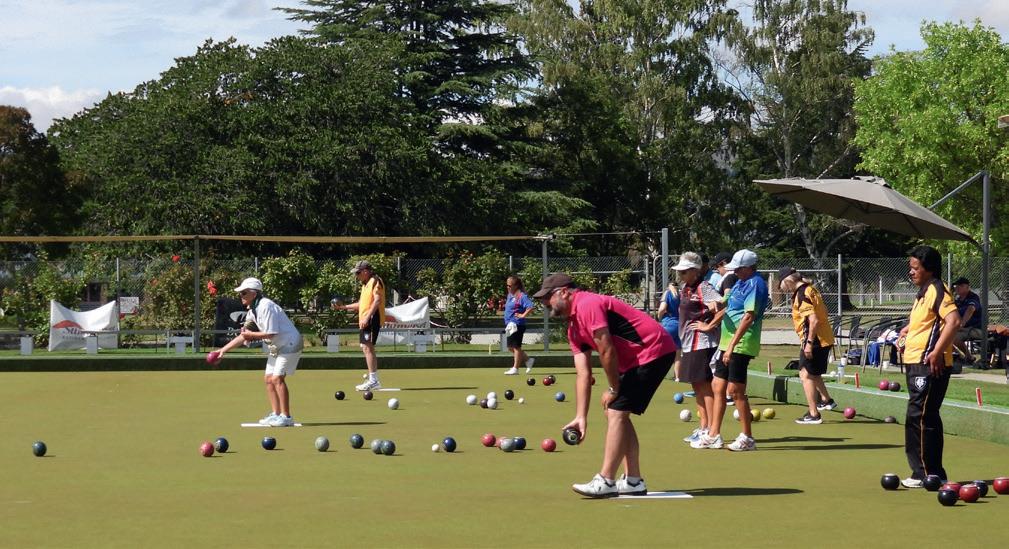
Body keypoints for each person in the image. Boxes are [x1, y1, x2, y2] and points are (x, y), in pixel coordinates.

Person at [533, 273, 677, 498]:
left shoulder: (587, 304)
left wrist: (613, 388)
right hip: (634, 359)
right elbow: (583, 374)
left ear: (564, 292)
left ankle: (606, 480)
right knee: (616, 412)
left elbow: (606, 349)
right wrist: (581, 417)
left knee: (616, 411)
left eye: (547, 297)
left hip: (652, 350)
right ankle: (633, 481)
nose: (545, 303)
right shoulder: (573, 328)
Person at [691, 249, 767, 452]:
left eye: (739, 269)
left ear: (749, 267)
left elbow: (748, 316)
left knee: (735, 391)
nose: (736, 272)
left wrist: (732, 346)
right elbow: (727, 303)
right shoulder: (740, 282)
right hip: (727, 342)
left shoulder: (756, 284)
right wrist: (715, 305)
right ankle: (713, 435)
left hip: (741, 343)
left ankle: (747, 438)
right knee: (717, 386)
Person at [897, 246, 960, 488]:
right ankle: (933, 472)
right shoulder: (923, 292)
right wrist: (908, 329)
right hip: (916, 361)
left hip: (928, 363)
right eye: (910, 267)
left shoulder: (937, 289)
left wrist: (936, 351)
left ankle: (924, 473)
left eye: (915, 268)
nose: (911, 272)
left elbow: (953, 321)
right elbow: (927, 322)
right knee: (923, 414)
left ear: (929, 268)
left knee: (920, 415)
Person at [212, 277, 304, 427]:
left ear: (254, 293)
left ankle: (286, 417)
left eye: (244, 293)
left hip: (290, 343)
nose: (240, 295)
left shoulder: (266, 306)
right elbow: (244, 335)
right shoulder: (252, 310)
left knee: (277, 379)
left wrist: (251, 335)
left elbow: (271, 333)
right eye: (240, 293)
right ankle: (275, 414)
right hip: (276, 346)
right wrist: (222, 351)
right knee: (268, 379)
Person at [673, 252, 722, 444]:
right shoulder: (686, 288)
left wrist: (709, 326)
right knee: (696, 386)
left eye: (685, 271)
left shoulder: (704, 287)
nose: (681, 275)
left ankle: (710, 430)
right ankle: (703, 427)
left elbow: (724, 307)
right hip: (688, 343)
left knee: (704, 386)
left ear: (695, 271)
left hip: (702, 342)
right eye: (680, 271)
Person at [779, 267, 837, 424]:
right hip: (824, 337)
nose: (784, 290)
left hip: (815, 338)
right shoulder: (810, 289)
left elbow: (813, 320)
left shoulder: (802, 293)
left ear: (788, 281)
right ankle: (826, 400)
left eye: (782, 285)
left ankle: (813, 414)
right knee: (813, 372)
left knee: (805, 374)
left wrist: (809, 343)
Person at [338, 260, 387, 391]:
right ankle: (373, 380)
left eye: (358, 273)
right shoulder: (366, 284)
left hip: (372, 319)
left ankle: (373, 381)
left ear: (365, 271)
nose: (356, 276)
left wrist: (367, 317)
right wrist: (343, 307)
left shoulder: (375, 281)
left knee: (367, 347)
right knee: (366, 348)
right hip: (366, 320)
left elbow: (377, 300)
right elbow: (361, 304)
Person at [503, 275, 536, 375]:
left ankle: (515, 369)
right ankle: (528, 360)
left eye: (510, 286)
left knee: (516, 346)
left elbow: (530, 307)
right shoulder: (510, 295)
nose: (508, 287)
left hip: (517, 324)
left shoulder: (521, 296)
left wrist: (523, 315)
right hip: (510, 324)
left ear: (516, 286)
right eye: (507, 285)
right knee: (510, 347)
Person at [952, 277, 984, 364]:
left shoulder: (973, 297)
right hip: (963, 329)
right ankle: (960, 357)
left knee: (953, 337)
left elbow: (971, 309)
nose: (957, 287)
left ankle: (969, 358)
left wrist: (962, 323)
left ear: (967, 287)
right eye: (956, 286)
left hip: (976, 329)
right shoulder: (958, 300)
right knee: (944, 335)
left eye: (961, 286)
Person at [656, 280, 681, 380]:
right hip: (679, 324)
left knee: (659, 347)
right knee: (678, 352)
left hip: (669, 324)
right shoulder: (680, 294)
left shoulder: (667, 293)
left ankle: (657, 373)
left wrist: (659, 317)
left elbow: (662, 308)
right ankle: (677, 377)